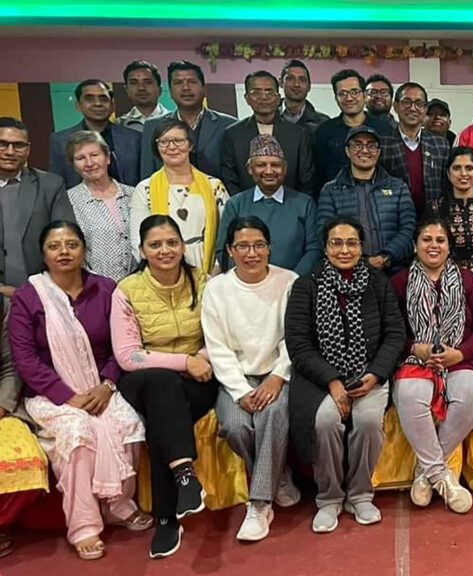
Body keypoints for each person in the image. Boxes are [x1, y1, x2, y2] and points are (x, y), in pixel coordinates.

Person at [9, 221, 149, 560]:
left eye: (72, 245)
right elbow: (25, 360)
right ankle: (83, 524)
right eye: (55, 247)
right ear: (43, 255)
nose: (64, 252)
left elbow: (123, 346)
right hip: (49, 394)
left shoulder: (106, 289)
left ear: (84, 249)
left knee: (128, 423)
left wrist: (107, 384)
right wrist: (66, 396)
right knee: (78, 431)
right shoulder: (29, 297)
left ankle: (119, 503)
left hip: (101, 386)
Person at [285, 215, 404, 532]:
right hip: (320, 380)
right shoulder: (305, 287)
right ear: (325, 248)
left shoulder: (378, 283)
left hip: (369, 376)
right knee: (325, 420)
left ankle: (361, 494)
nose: (344, 249)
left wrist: (377, 373)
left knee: (366, 421)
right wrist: (332, 381)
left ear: (361, 247)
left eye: (351, 243)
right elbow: (298, 344)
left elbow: (395, 333)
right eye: (336, 243)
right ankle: (329, 498)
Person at [112, 215, 217, 558]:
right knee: (162, 384)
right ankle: (184, 478)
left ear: (182, 246)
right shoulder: (126, 290)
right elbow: (129, 356)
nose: (165, 250)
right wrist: (184, 362)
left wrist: (199, 359)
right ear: (142, 250)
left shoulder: (203, 282)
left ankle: (167, 517)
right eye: (155, 244)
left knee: (163, 417)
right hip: (144, 379)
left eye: (172, 242)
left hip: (197, 380)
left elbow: (218, 334)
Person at [203, 216, 299, 542]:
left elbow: (295, 338)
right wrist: (240, 390)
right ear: (230, 251)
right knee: (234, 425)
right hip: (237, 378)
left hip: (279, 374)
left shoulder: (289, 281)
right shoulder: (217, 289)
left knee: (273, 412)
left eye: (258, 245)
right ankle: (278, 474)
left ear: (269, 248)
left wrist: (277, 377)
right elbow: (217, 347)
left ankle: (259, 505)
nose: (251, 253)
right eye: (242, 246)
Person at [390, 219, 473, 514]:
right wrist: (416, 349)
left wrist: (460, 354)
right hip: (416, 358)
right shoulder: (399, 282)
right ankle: (443, 478)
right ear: (414, 245)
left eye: (440, 240)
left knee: (472, 392)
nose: (433, 245)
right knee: (410, 393)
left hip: (460, 357)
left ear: (449, 247)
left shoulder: (467, 280)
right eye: (426, 239)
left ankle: (426, 474)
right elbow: (390, 332)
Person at [131, 117, 229, 274]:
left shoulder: (214, 186)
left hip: (209, 270)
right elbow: (138, 241)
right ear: (156, 147)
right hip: (161, 270)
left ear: (190, 145)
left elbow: (226, 235)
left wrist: (215, 273)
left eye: (178, 140)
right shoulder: (144, 189)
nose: (172, 147)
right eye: (164, 142)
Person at [316, 126, 415, 275]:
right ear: (347, 151)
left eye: (371, 146)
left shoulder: (399, 187)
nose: (364, 150)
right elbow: (324, 233)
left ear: (379, 152)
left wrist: (385, 257)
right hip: (346, 273)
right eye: (357, 145)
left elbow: (409, 229)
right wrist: (359, 261)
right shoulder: (330, 190)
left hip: (394, 270)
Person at [216, 135, 320, 276]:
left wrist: (292, 282)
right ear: (249, 168)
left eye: (275, 165)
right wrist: (247, 279)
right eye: (261, 165)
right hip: (247, 288)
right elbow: (224, 250)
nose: (269, 171)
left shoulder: (304, 203)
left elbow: (314, 249)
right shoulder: (236, 204)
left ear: (284, 168)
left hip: (295, 288)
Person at [0, 117, 75, 298]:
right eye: (2, 144)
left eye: (18, 145)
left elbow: (66, 239)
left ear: (28, 149)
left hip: (43, 294)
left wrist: (45, 287)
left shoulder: (50, 185)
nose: (10, 151)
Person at [0, 296, 49, 560]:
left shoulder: (2, 306)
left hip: (1, 407)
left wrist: (2, 406)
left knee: (28, 462)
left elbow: (10, 367)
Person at [220, 70, 315, 196]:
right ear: (247, 98)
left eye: (269, 91)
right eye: (256, 92)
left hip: (291, 207)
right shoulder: (233, 134)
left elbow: (307, 180)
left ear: (277, 98)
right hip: (246, 209)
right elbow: (229, 179)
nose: (263, 97)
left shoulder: (298, 134)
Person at [140, 60, 237, 180]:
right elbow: (147, 176)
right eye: (178, 82)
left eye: (192, 82)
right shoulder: (153, 126)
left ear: (204, 89)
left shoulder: (229, 125)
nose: (186, 88)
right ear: (170, 91)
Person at [64, 131, 136, 281]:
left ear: (108, 158)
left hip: (139, 289)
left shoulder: (134, 195)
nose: (89, 163)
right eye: (80, 158)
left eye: (95, 155)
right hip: (94, 290)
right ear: (74, 165)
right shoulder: (68, 200)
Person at [313, 69, 395, 190]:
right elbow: (319, 175)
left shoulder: (384, 129)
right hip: (337, 199)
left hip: (379, 198)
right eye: (342, 94)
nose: (349, 98)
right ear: (336, 98)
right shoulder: (324, 131)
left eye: (354, 92)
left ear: (364, 95)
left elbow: (392, 169)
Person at [50, 79, 141, 187]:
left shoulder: (134, 138)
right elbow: (56, 184)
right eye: (89, 99)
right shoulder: (61, 140)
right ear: (78, 105)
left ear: (112, 105)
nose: (97, 104)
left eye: (103, 99)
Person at [378, 82, 451, 215]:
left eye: (419, 104)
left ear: (425, 109)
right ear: (396, 106)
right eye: (406, 102)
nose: (413, 108)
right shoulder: (382, 144)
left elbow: (446, 187)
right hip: (393, 217)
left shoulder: (441, 145)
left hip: (431, 219)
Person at [425, 146, 473, 269]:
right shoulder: (435, 208)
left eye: (469, 168)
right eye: (457, 168)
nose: (463, 173)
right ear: (448, 172)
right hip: (445, 276)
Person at [117, 60, 170, 133]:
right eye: (134, 83)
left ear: (159, 89)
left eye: (148, 82)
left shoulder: (174, 120)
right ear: (127, 90)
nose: (141, 88)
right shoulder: (119, 125)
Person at [280, 60, 330, 132]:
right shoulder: (267, 117)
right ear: (281, 83)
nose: (296, 84)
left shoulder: (323, 123)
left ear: (309, 86)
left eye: (302, 80)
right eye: (290, 79)